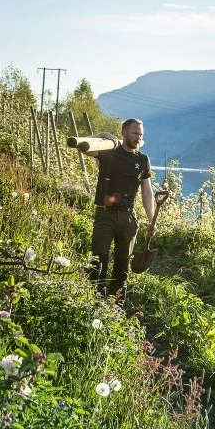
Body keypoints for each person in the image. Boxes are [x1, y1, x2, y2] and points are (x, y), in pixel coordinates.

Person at [89, 118, 155, 299]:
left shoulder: (143, 160)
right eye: (135, 133)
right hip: (105, 215)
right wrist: (102, 136)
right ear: (124, 132)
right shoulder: (109, 151)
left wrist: (151, 221)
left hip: (128, 219)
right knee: (98, 260)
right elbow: (82, 145)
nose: (138, 137)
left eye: (141, 134)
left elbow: (147, 193)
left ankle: (116, 305)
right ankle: (94, 301)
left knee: (122, 264)